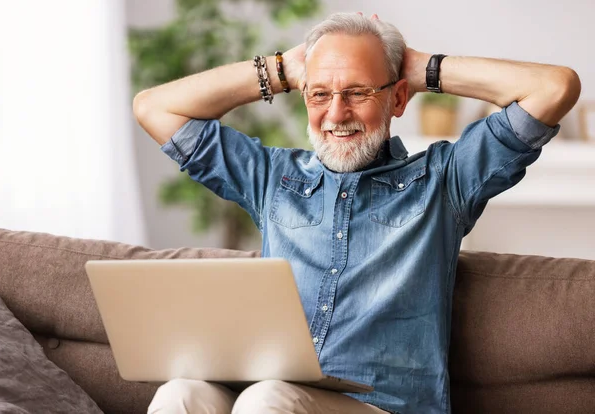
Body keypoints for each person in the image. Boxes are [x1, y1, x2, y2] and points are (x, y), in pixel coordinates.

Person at [133, 11, 581, 414]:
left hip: (378, 406)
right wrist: (282, 70)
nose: (336, 113)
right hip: (273, 394)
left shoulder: (444, 180)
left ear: (399, 99)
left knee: (267, 398)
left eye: (357, 92)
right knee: (182, 393)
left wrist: (424, 68)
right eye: (319, 93)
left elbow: (554, 88)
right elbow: (153, 108)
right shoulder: (273, 178)